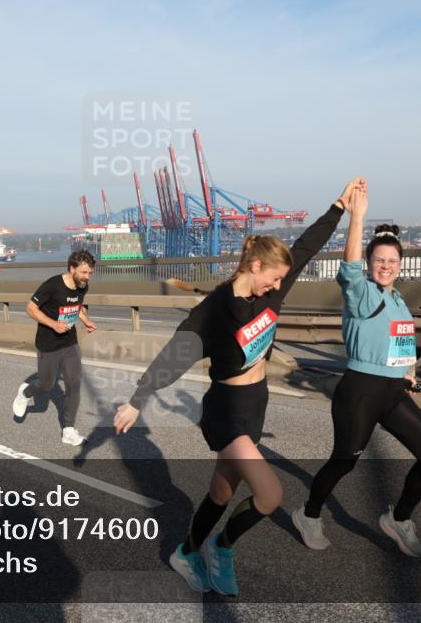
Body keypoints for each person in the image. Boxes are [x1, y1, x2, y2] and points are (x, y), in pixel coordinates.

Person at [114, 177, 362, 596]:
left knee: (220, 493)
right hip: (226, 410)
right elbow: (175, 354)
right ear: (255, 266)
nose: (278, 287)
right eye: (274, 278)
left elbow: (307, 246)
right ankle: (222, 546)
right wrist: (138, 399)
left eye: (282, 281)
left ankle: (186, 553)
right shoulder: (215, 309)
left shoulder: (272, 293)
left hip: (255, 403)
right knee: (269, 495)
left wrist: (340, 205)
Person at [293, 186, 421, 559]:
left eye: (392, 261)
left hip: (392, 392)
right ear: (369, 261)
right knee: (344, 461)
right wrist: (357, 217)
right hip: (359, 392)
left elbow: (400, 342)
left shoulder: (398, 299)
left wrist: (406, 372)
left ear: (400, 264)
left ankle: (399, 519)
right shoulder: (360, 293)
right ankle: (308, 514)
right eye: (379, 260)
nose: (386, 266)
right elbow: (348, 266)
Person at [12, 251, 98, 446]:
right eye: (84, 272)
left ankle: (68, 429)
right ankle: (24, 394)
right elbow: (30, 308)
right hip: (48, 344)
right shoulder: (53, 285)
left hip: (69, 342)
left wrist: (86, 321)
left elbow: (78, 306)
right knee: (46, 386)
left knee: (74, 384)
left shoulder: (83, 285)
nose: (87, 277)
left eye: (90, 273)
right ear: (72, 268)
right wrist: (54, 325)